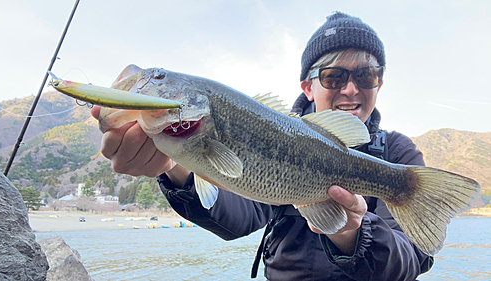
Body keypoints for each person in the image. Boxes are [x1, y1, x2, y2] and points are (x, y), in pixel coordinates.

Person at [91, 11, 434, 281]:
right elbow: (238, 217)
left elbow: (415, 258)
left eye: (366, 76)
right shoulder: (253, 129)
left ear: (379, 83)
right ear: (308, 87)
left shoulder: (399, 157)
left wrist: (354, 232)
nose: (350, 89)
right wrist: (175, 166)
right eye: (333, 77)